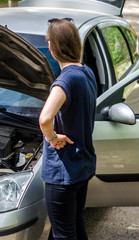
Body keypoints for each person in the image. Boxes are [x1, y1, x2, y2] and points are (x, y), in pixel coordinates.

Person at [39, 18, 97, 240]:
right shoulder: (86, 72)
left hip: (62, 173)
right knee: (74, 227)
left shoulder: (65, 81)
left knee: (64, 234)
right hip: (81, 166)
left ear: (51, 47)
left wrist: (52, 138)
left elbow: (45, 118)